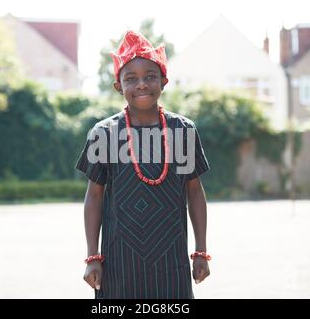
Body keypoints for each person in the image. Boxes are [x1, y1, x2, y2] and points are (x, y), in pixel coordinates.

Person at [75, 30, 211, 299]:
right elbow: (94, 195)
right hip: (118, 262)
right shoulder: (105, 133)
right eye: (131, 78)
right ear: (118, 86)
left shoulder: (182, 130)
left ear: (163, 80)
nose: (141, 84)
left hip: (171, 260)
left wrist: (201, 251)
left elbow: (195, 192)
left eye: (150, 76)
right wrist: (93, 255)